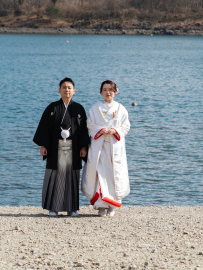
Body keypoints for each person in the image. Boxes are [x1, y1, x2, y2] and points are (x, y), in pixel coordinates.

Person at [33, 77, 89, 216]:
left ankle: (72, 208)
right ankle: (54, 207)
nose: (67, 90)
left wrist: (84, 147)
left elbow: (83, 130)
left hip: (74, 147)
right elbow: (44, 128)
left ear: (74, 91)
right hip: (55, 147)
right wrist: (43, 145)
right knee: (54, 176)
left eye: (69, 87)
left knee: (72, 176)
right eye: (64, 87)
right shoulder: (52, 108)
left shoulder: (79, 108)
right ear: (59, 90)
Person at [81, 80, 130, 216]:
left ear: (115, 91)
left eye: (110, 89)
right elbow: (89, 124)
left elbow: (125, 126)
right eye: (105, 90)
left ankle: (112, 205)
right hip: (99, 146)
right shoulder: (95, 108)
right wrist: (101, 130)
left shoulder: (121, 108)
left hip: (114, 146)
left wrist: (115, 130)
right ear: (101, 92)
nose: (108, 92)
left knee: (114, 174)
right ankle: (101, 205)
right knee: (100, 173)